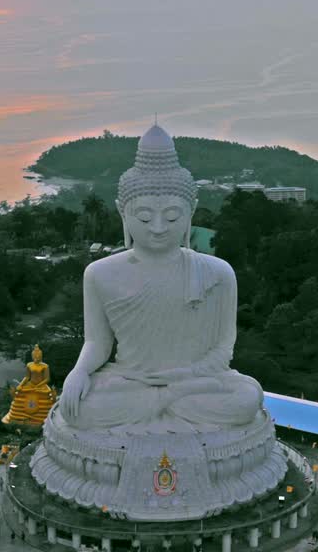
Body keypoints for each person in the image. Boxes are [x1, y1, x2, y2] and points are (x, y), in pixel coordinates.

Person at [56, 124, 262, 433]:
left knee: (246, 398)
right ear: (121, 213)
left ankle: (164, 402)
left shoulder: (218, 273)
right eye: (143, 217)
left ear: (191, 211)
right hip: (131, 380)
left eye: (172, 217)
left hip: (194, 382)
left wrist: (181, 379)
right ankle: (167, 405)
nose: (157, 228)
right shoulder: (99, 273)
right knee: (79, 409)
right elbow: (97, 342)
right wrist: (79, 371)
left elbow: (224, 347)